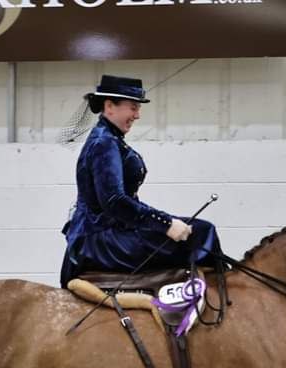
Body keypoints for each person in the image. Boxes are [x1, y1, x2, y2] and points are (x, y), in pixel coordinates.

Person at [59, 75, 219, 288]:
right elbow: (114, 201)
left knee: (197, 230)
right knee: (201, 233)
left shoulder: (110, 139)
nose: (137, 115)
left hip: (111, 232)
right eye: (133, 108)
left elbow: (125, 201)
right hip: (101, 240)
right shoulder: (104, 143)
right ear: (110, 107)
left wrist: (166, 220)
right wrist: (166, 223)